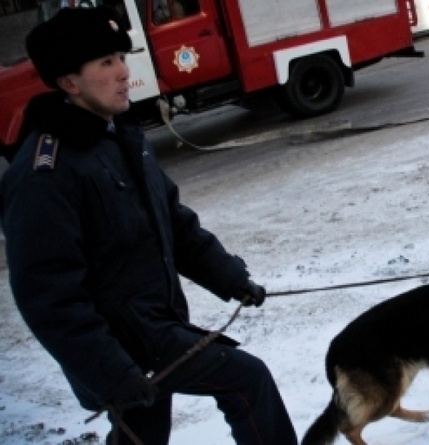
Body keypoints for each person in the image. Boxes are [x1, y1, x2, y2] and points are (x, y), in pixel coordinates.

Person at [0, 7, 298, 445]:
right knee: (246, 381)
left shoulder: (120, 137)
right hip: (124, 348)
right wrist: (111, 371)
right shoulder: (45, 173)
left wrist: (230, 277)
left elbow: (174, 223)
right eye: (106, 63)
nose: (124, 72)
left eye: (122, 57)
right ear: (69, 83)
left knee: (144, 433)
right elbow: (49, 297)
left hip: (154, 327)